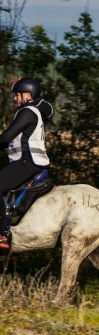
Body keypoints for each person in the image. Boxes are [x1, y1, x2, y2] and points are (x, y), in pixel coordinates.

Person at [0, 78, 53, 247]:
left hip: (27, 163)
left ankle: (3, 234)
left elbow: (6, 138)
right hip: (28, 162)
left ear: (27, 95)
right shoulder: (32, 111)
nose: (15, 98)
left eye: (17, 95)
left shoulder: (27, 112)